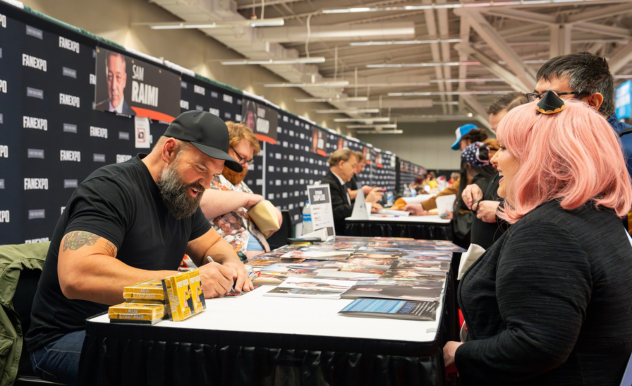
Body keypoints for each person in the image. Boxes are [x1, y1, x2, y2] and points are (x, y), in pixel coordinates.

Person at [25, 111, 254, 385]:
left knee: (217, 360)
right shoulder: (110, 189)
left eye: (213, 174)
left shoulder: (182, 194)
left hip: (136, 328)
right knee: (178, 370)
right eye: (201, 168)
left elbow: (213, 245)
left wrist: (232, 265)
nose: (205, 184)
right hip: (69, 336)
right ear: (169, 150)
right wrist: (185, 282)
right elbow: (78, 275)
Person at [443, 97, 632, 385]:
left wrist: (461, 354)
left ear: (541, 156)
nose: (494, 159)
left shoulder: (549, 231)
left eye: (505, 148)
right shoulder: (591, 214)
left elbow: (536, 346)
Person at [199, 122, 282, 261]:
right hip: (226, 266)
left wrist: (272, 219)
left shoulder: (240, 185)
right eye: (241, 157)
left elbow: (253, 231)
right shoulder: (205, 176)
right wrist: (248, 199)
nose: (244, 165)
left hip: (258, 262)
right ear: (223, 148)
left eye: (248, 161)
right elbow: (200, 205)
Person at [461, 92, 528, 249]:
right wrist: (477, 188)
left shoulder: (531, 160)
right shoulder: (495, 152)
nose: (493, 158)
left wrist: (500, 212)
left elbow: (538, 210)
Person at [405, 124, 497, 214]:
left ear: (468, 139)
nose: (460, 149)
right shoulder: (487, 153)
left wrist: (423, 206)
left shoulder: (488, 154)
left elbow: (456, 188)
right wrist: (423, 206)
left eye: (460, 144)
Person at [320, 149, 382, 235]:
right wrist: (365, 203)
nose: (354, 171)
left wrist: (367, 206)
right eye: (353, 166)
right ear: (341, 164)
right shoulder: (330, 184)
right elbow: (338, 212)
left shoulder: (339, 183)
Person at [449, 142, 497, 248]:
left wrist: (458, 217)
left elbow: (476, 218)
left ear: (468, 165)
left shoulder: (478, 185)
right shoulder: (494, 180)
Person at [95, 51, 135, 115]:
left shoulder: (133, 115)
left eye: (118, 77)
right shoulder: (97, 109)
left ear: (124, 80)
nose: (113, 86)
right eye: (110, 76)